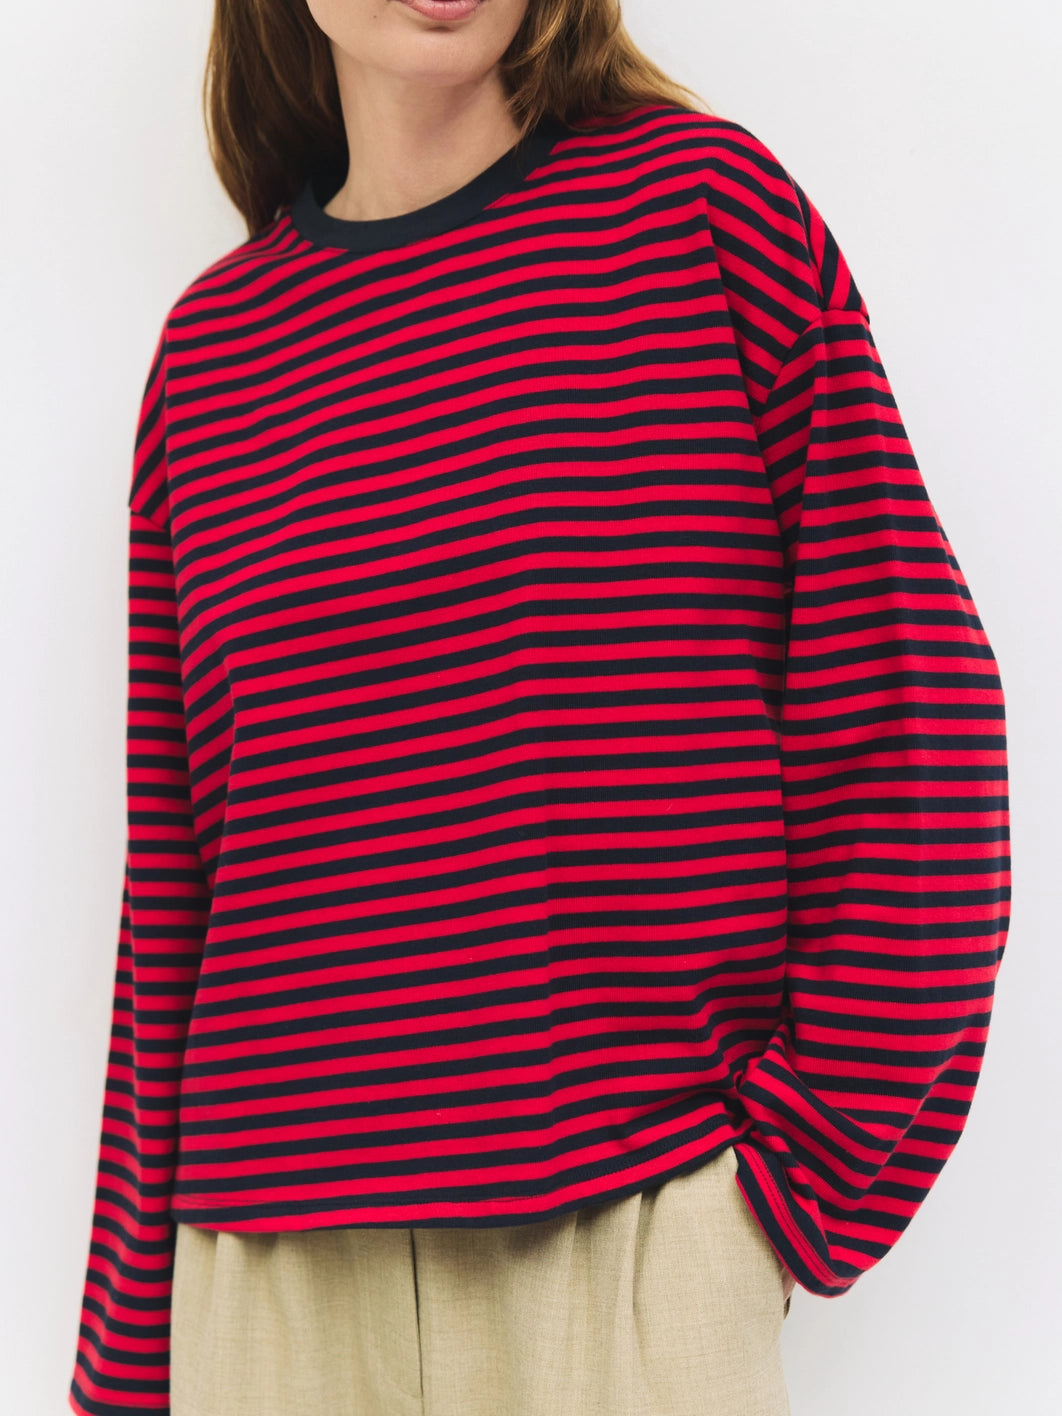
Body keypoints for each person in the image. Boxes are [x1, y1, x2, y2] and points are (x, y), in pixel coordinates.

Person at [68, 2, 1011, 1414]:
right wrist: (131, 1357)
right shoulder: (213, 361)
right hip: (265, 1290)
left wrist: (790, 1191)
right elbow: (177, 892)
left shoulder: (703, 223)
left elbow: (910, 730)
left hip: (627, 1247)